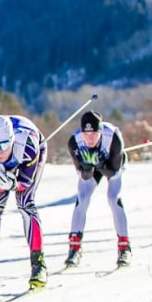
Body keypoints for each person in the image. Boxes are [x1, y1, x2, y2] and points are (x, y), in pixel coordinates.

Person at [0, 114, 48, 290]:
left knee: (25, 204)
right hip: (7, 160)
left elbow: (26, 182)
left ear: (12, 140)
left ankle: (38, 265)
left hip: (33, 152)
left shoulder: (27, 147)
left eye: (4, 146)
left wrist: (14, 183)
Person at [64, 111, 131, 269]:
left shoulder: (113, 138)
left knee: (113, 198)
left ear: (100, 132)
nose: (90, 139)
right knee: (83, 197)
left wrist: (100, 164)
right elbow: (83, 175)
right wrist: (87, 168)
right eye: (86, 135)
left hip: (111, 165)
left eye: (94, 134)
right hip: (93, 167)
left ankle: (124, 247)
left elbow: (114, 171)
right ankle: (74, 248)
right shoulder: (74, 142)